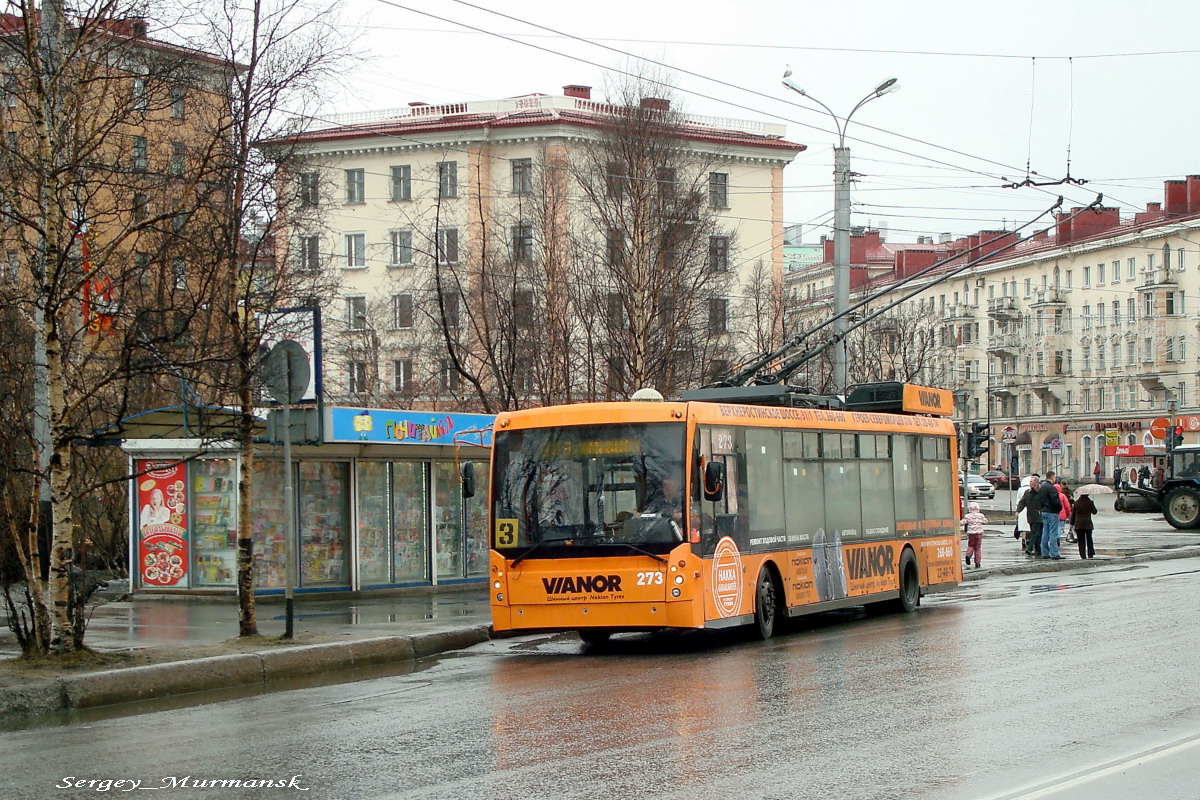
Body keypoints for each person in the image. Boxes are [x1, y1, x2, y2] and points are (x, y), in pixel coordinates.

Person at [1037, 470, 1064, 559]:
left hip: (1044, 512)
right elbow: (1055, 501)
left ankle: (1045, 552)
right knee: (1053, 533)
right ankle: (1054, 553)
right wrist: (1059, 508)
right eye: (1055, 477)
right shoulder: (1051, 488)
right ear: (1052, 477)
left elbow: (1039, 500)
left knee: (1045, 533)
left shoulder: (1042, 487)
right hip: (1052, 512)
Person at [1015, 474, 1042, 556]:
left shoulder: (1041, 492)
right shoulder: (1028, 492)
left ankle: (1029, 548)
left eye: (1032, 481)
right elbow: (1022, 502)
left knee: (1034, 532)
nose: (1030, 483)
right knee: (1036, 534)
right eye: (1030, 481)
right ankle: (1038, 550)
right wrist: (1018, 511)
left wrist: (1042, 510)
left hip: (1039, 516)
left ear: (1036, 483)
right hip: (1030, 516)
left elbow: (1046, 502)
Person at [1070, 492, 1098, 558]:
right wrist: (1092, 505)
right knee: (1089, 539)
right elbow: (1095, 512)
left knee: (1081, 540)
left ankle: (1082, 554)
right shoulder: (1090, 502)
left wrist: (1072, 523)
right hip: (1088, 524)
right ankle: (1090, 553)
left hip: (1078, 524)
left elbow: (1073, 514)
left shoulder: (1076, 503)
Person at [961, 501, 987, 569]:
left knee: (971, 546)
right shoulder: (981, 515)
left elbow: (963, 522)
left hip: (971, 534)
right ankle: (977, 563)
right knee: (978, 548)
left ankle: (968, 555)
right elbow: (985, 521)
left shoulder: (968, 516)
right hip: (979, 534)